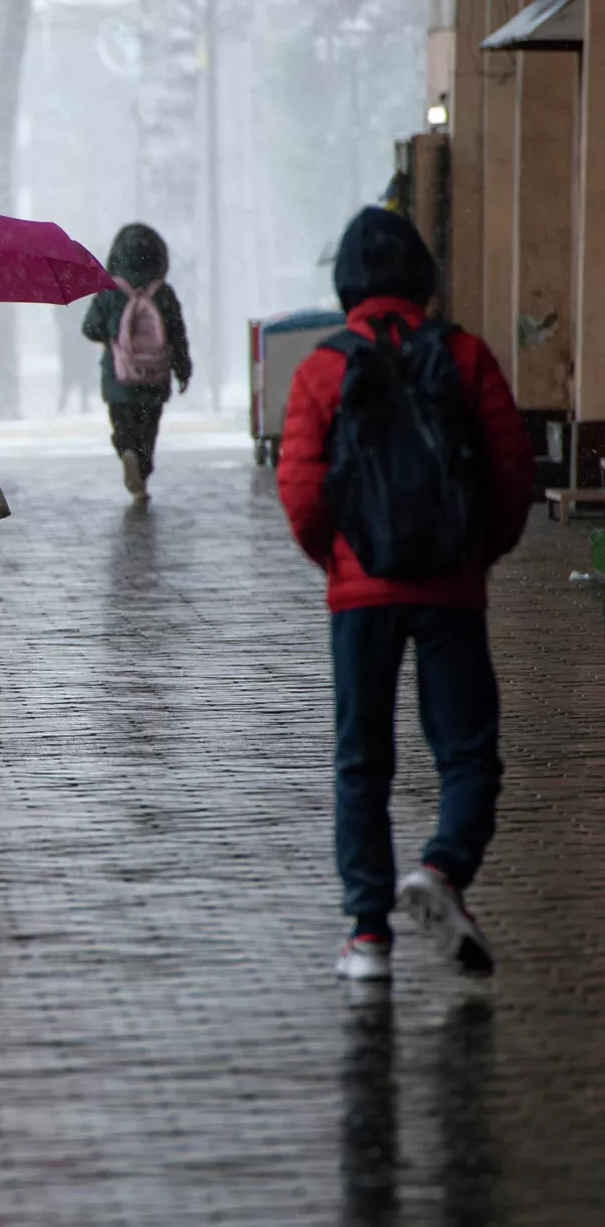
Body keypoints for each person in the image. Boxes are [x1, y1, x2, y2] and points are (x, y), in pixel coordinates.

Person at [276, 206, 534, 983]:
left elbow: (302, 487)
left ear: (346, 282)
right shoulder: (464, 354)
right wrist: (478, 553)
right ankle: (444, 867)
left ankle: (367, 934)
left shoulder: (322, 367)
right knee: (467, 750)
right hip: (451, 584)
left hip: (361, 595)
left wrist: (340, 558)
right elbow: (511, 470)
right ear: (422, 275)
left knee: (362, 760)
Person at [81, 223, 192, 503]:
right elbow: (177, 335)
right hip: (154, 377)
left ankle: (127, 452)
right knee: (148, 431)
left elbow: (90, 328)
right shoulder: (163, 293)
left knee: (124, 428)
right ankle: (141, 473)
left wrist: (113, 333)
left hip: (118, 378)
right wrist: (183, 370)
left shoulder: (110, 290)